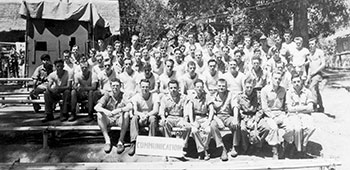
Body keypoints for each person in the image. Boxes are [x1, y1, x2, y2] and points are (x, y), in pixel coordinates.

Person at [94, 78, 132, 154]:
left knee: (126, 114)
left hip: (119, 119)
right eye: (113, 85)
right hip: (109, 118)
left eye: (117, 85)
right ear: (111, 86)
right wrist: (106, 111)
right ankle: (107, 141)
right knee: (99, 114)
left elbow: (130, 106)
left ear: (120, 86)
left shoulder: (123, 95)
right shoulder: (107, 95)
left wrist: (119, 110)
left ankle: (121, 141)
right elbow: (96, 107)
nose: (115, 87)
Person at [235, 78, 271, 155]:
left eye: (251, 87)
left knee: (266, 128)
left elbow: (260, 109)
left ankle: (258, 145)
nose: (249, 89)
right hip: (244, 118)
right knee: (243, 129)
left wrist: (256, 120)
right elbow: (239, 111)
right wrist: (246, 120)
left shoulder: (257, 95)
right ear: (244, 86)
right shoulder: (240, 96)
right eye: (247, 87)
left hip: (255, 116)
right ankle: (245, 146)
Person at [260, 71, 291, 159]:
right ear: (271, 79)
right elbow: (264, 108)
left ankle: (284, 146)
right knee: (274, 128)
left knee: (290, 127)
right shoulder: (265, 90)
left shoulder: (283, 90)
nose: (277, 80)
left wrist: (287, 114)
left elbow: (285, 105)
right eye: (275, 78)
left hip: (281, 114)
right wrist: (273, 117)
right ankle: (275, 150)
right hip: (269, 114)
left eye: (279, 79)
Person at [285, 73, 316, 157]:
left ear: (301, 81)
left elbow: (311, 108)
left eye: (298, 81)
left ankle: (304, 144)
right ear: (291, 83)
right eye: (294, 82)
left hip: (305, 115)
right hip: (293, 115)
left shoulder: (307, 92)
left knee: (311, 128)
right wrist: (304, 107)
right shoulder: (289, 92)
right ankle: (299, 150)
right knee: (298, 129)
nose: (296, 83)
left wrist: (297, 108)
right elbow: (289, 109)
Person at [208, 79, 239, 160]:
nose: (221, 88)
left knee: (236, 124)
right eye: (219, 86)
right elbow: (210, 111)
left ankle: (234, 146)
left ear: (226, 87)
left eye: (223, 86)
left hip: (227, 116)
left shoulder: (230, 94)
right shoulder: (213, 95)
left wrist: (235, 118)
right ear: (216, 87)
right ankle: (222, 148)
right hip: (217, 117)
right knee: (212, 125)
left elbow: (235, 106)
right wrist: (217, 119)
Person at [159, 80, 191, 156]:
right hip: (170, 117)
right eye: (171, 88)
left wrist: (185, 120)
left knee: (188, 127)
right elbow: (162, 110)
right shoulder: (165, 98)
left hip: (180, 118)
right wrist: (163, 117)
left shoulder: (183, 97)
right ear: (168, 89)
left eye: (175, 88)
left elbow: (186, 111)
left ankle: (182, 146)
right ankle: (169, 146)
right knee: (165, 123)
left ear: (178, 88)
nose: (173, 90)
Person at [129, 79, 160, 156]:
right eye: (143, 87)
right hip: (140, 118)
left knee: (153, 118)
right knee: (134, 118)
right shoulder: (136, 97)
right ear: (140, 87)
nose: (145, 89)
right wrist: (141, 115)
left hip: (149, 117)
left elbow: (156, 110)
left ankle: (150, 142)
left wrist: (147, 115)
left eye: (147, 87)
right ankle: (133, 142)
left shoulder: (154, 96)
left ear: (150, 87)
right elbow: (135, 111)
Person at [185, 79, 212, 160]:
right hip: (195, 118)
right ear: (194, 88)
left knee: (208, 130)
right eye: (197, 87)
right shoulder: (191, 97)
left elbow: (211, 110)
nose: (199, 89)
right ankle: (203, 151)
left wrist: (208, 121)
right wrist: (192, 122)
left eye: (201, 87)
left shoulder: (207, 96)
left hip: (204, 117)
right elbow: (190, 110)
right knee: (194, 131)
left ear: (203, 87)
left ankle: (203, 150)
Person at [306, 38, 326, 112]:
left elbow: (323, 64)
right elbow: (310, 67)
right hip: (312, 74)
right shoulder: (310, 54)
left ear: (316, 44)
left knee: (312, 88)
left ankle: (314, 106)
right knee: (316, 91)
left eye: (312, 44)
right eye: (310, 44)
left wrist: (315, 71)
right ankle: (321, 106)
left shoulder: (320, 52)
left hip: (317, 74)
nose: (311, 46)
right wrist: (308, 76)